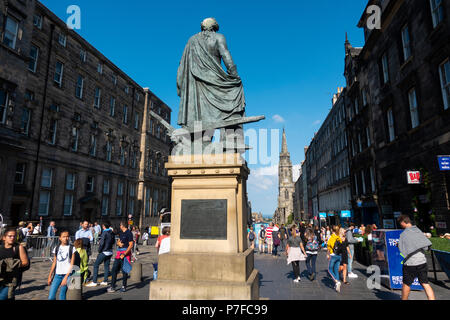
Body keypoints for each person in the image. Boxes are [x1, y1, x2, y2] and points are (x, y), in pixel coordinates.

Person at [397, 215, 435, 300]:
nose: (401, 225)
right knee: (425, 283)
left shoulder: (404, 234)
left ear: (403, 222)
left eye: (400, 223)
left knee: (406, 284)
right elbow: (426, 246)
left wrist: (398, 244)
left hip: (410, 264)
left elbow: (402, 249)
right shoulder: (418, 230)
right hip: (422, 262)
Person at [0, 227, 30, 300]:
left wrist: (11, 265)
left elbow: (25, 262)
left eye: (14, 236)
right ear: (4, 237)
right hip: (1, 278)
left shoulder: (18, 247)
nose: (12, 238)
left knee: (2, 297)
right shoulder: (0, 248)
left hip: (12, 279)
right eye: (10, 236)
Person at [47, 230, 76, 300]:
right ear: (60, 238)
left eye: (67, 236)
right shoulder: (56, 248)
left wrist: (66, 278)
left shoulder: (72, 248)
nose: (66, 238)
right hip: (57, 275)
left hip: (67, 274)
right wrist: (49, 276)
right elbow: (54, 262)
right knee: (51, 296)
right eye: (63, 237)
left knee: (62, 295)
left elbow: (72, 264)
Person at [107, 220, 134, 293]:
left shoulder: (129, 233)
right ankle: (112, 286)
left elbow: (131, 245)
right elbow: (118, 241)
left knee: (124, 270)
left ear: (122, 226)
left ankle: (124, 286)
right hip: (119, 253)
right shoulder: (121, 232)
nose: (119, 226)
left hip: (125, 253)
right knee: (114, 269)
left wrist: (124, 254)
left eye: (120, 225)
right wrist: (118, 243)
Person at [86, 222, 115, 287]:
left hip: (104, 251)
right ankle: (105, 281)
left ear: (103, 226)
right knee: (106, 266)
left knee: (96, 264)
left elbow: (102, 243)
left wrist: (99, 250)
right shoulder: (112, 233)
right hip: (110, 251)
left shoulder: (104, 233)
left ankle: (94, 281)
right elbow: (113, 241)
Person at [327, 226, 342, 292]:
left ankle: (336, 281)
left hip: (333, 255)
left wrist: (328, 254)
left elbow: (328, 245)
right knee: (336, 269)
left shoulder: (331, 237)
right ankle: (337, 284)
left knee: (330, 269)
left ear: (332, 230)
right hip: (339, 255)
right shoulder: (339, 237)